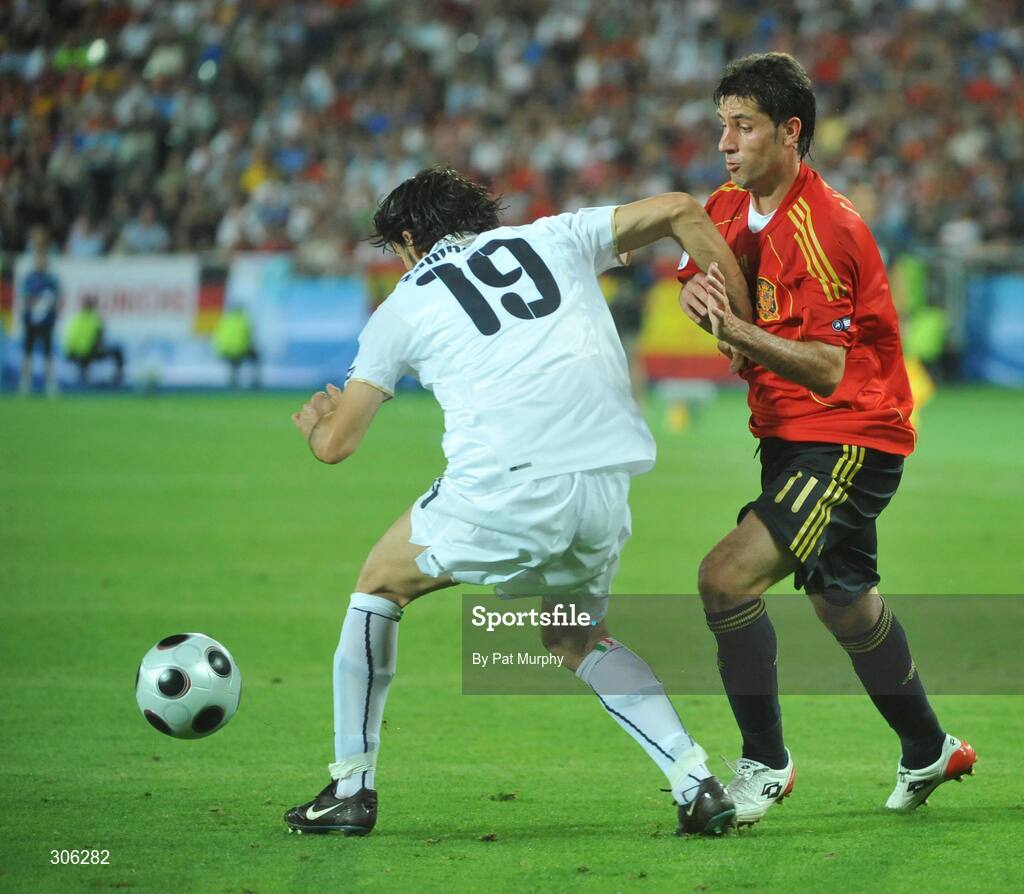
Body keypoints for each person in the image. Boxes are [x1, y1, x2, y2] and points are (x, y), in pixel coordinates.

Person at [285, 166, 754, 838]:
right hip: (603, 483)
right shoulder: (554, 236)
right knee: (575, 636)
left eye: (397, 249)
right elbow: (682, 208)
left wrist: (317, 424)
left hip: (504, 486)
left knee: (378, 587)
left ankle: (351, 788)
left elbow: (338, 445)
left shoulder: (404, 305)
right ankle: (695, 781)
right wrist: (735, 324)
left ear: (412, 237)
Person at [675, 53, 975, 827]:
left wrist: (735, 327)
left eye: (743, 127)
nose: (726, 143)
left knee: (725, 579)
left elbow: (826, 369)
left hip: (850, 435)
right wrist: (714, 318)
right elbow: (722, 322)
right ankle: (928, 748)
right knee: (844, 603)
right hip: (787, 435)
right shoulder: (728, 210)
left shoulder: (828, 228)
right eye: (722, 126)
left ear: (790, 131)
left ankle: (764, 767)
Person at [18, 228, 61, 396]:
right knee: (27, 353)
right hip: (31, 320)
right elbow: (26, 299)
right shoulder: (29, 278)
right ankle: (25, 383)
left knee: (48, 354)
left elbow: (57, 300)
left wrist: (49, 306)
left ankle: (50, 384)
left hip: (47, 321)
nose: (41, 262)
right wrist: (39, 303)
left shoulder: (52, 279)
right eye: (39, 259)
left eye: (43, 259)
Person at [64, 297, 125, 386]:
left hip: (73, 352)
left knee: (86, 356)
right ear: (92, 307)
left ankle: (84, 378)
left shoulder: (75, 319)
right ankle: (118, 379)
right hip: (87, 352)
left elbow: (69, 339)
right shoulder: (95, 319)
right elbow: (99, 338)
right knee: (117, 351)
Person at [212, 305, 260, 388]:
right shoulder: (243, 321)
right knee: (255, 358)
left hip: (225, 351)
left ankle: (233, 383)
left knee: (234, 365)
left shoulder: (225, 320)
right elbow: (249, 337)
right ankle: (255, 382)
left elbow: (217, 336)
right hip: (239, 350)